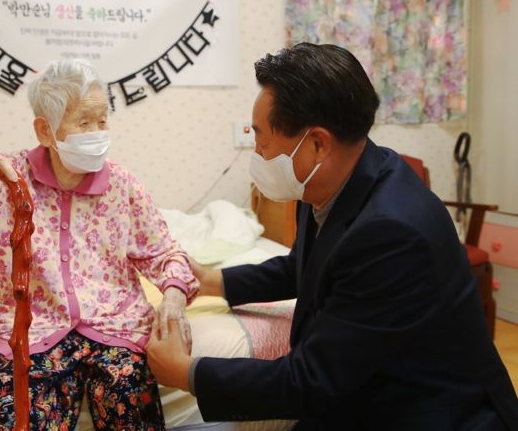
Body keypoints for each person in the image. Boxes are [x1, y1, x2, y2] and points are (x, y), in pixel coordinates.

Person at [147, 43, 518, 430]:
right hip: (357, 390)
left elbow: (312, 379)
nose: (256, 153)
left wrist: (187, 373)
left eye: (262, 140)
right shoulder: (332, 181)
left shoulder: (391, 233)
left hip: (429, 413)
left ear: (317, 144)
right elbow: (303, 267)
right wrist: (212, 280)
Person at [0, 59, 198, 430]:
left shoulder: (122, 185)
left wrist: (173, 295)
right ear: (45, 130)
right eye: (84, 122)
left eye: (102, 120)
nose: (97, 132)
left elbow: (164, 253)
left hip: (118, 328)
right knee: (15, 420)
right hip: (30, 332)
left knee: (133, 416)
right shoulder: (4, 181)